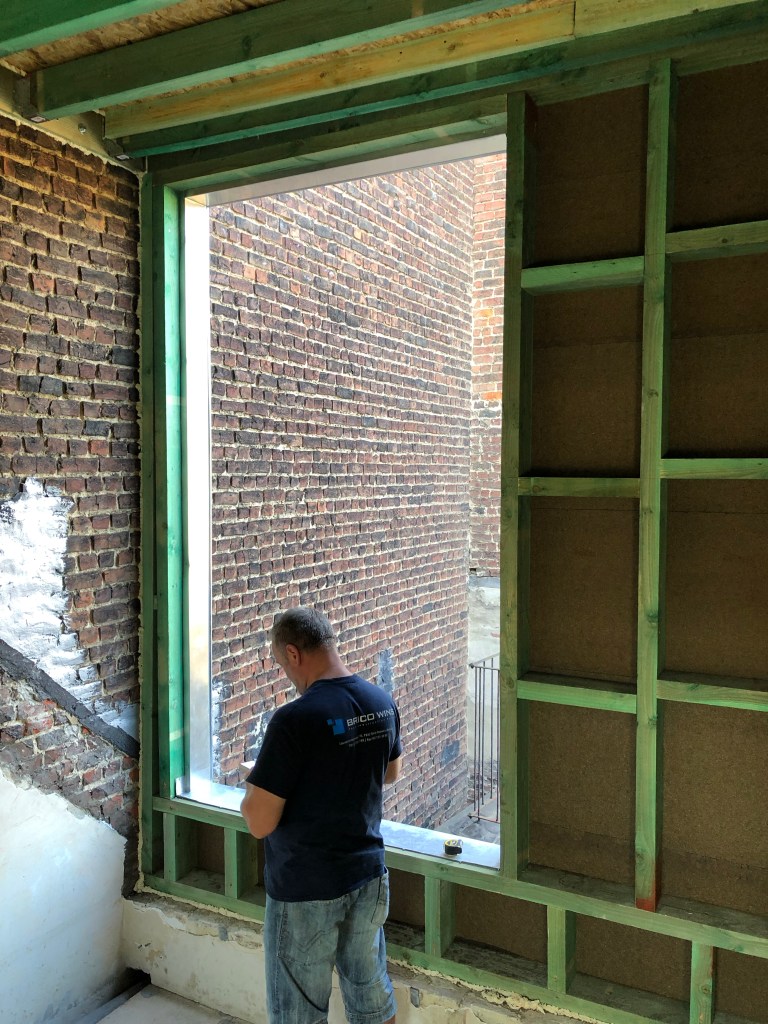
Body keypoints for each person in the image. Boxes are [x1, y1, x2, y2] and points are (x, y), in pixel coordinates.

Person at [241, 605, 402, 1024]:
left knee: (298, 1013)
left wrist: (255, 787)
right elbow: (389, 772)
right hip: (368, 877)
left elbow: (259, 822)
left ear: (293, 654)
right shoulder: (380, 701)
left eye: (282, 665)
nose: (287, 676)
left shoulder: (293, 720)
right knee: (371, 995)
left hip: (306, 887)